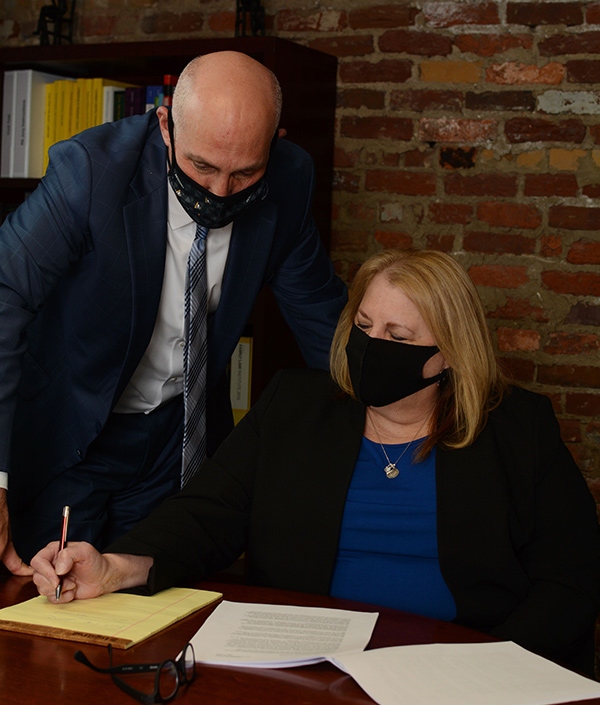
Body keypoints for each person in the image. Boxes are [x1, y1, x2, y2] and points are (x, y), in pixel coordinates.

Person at [31, 249, 600, 676]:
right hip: (308, 664)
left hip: (457, 667)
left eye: (398, 335)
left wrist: (489, 666)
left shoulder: (516, 428)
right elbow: (207, 513)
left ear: (447, 355)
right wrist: (116, 565)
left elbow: (572, 579)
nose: (373, 345)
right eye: (364, 326)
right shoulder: (295, 406)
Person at [0, 50, 347, 572]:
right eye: (201, 166)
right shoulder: (92, 171)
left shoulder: (291, 178)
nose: (218, 192)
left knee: (161, 604)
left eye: (244, 173)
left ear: (275, 145)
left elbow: (325, 322)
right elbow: (5, 292)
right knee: (55, 611)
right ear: (165, 124)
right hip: (68, 433)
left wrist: (399, 416)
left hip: (177, 439)